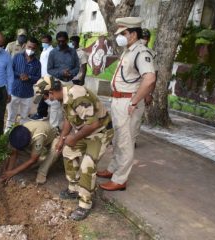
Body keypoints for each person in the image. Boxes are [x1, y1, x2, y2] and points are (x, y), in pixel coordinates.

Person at [97, 17, 156, 191]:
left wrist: (135, 101)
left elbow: (150, 78)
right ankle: (113, 168)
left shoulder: (141, 53)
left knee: (125, 141)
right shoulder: (128, 50)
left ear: (133, 34)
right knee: (117, 139)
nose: (120, 37)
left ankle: (120, 179)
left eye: (123, 33)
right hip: (118, 100)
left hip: (128, 102)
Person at [47, 78, 113, 221]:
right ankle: (74, 188)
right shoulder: (64, 98)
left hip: (100, 132)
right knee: (68, 151)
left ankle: (85, 204)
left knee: (87, 166)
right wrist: (62, 139)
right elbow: (68, 120)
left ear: (52, 92)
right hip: (86, 131)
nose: (49, 99)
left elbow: (94, 124)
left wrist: (74, 138)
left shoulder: (77, 95)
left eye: (48, 96)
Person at [5, 37, 41, 131]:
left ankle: (22, 136)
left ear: (36, 49)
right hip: (15, 91)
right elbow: (10, 71)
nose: (31, 50)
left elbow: (37, 78)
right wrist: (20, 75)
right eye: (29, 47)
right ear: (25, 46)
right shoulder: (17, 57)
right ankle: (7, 135)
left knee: (24, 118)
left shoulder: (37, 63)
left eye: (33, 48)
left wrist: (29, 77)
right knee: (11, 117)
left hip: (27, 94)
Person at [46, 31, 80, 129]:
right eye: (59, 41)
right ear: (56, 41)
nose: (61, 43)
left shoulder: (73, 52)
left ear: (67, 41)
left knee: (68, 106)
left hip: (69, 82)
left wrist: (71, 73)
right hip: (57, 81)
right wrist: (61, 73)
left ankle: (64, 128)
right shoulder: (53, 53)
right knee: (55, 106)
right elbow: (49, 69)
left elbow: (77, 67)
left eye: (63, 41)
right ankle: (53, 128)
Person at [30, 34, 54, 121]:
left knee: (43, 95)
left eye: (46, 42)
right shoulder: (44, 50)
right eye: (42, 42)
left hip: (48, 76)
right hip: (42, 76)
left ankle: (42, 114)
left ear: (50, 42)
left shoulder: (52, 51)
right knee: (41, 95)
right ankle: (41, 113)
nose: (44, 43)